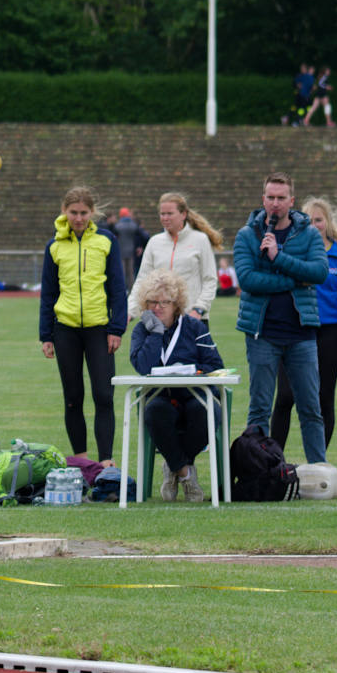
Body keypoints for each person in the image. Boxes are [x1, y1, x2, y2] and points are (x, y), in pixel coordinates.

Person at [233, 172, 328, 463]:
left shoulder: (309, 233)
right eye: (270, 197)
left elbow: (319, 273)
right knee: (260, 407)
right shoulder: (247, 235)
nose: (275, 203)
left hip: (302, 335)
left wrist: (278, 259)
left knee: (311, 408)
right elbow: (248, 280)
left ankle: (320, 470)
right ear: (263, 199)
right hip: (263, 333)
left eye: (281, 198)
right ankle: (259, 470)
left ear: (292, 200)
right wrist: (293, 279)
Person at [39, 186, 126, 468]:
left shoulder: (106, 241)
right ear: (64, 212)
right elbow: (48, 294)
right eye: (73, 212)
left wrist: (116, 328)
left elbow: (118, 289)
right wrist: (46, 335)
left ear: (92, 213)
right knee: (73, 397)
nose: (78, 218)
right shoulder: (54, 245)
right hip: (65, 330)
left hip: (99, 329)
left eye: (83, 213)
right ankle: (82, 462)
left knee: (103, 395)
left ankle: (106, 462)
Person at [271, 197, 337, 461]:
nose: (314, 224)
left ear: (327, 223)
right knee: (286, 397)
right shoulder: (290, 253)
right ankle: (272, 464)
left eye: (319, 219)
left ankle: (318, 465)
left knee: (323, 400)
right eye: (309, 219)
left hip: (329, 336)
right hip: (294, 330)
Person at [130, 269, 224, 502]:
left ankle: (174, 467)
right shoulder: (142, 330)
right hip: (161, 397)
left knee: (206, 411)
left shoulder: (195, 327)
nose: (158, 307)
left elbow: (214, 364)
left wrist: (192, 372)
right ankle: (185, 473)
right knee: (154, 412)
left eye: (165, 302)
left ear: (176, 303)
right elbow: (142, 366)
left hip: (195, 396)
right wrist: (156, 334)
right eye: (153, 302)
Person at [128, 193, 223, 328]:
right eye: (162, 214)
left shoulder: (200, 240)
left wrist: (199, 309)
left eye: (170, 214)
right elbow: (142, 281)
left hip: (193, 319)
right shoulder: (154, 242)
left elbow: (210, 279)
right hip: (159, 321)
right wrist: (129, 312)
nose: (165, 218)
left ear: (183, 214)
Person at [114, 207, 139, 291]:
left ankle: (123, 288)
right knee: (131, 272)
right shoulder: (133, 225)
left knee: (122, 272)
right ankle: (132, 289)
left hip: (121, 251)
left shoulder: (118, 225)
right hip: (131, 251)